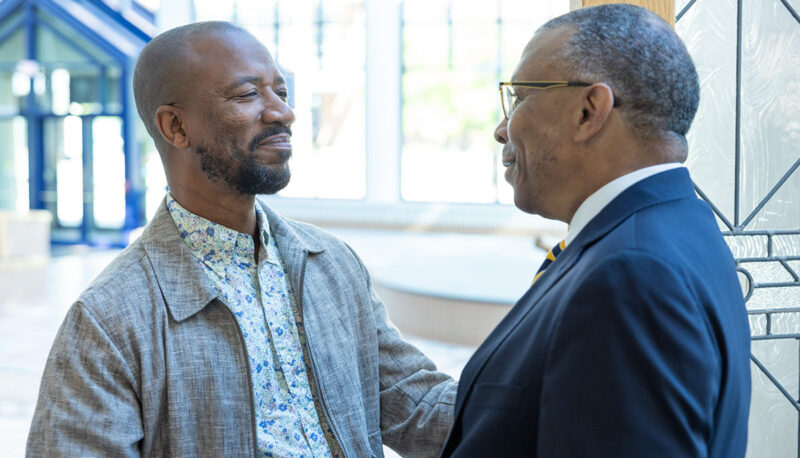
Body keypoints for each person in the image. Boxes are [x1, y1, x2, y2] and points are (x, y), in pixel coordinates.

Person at [27, 21, 455, 457]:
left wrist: (522, 389)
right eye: (248, 94)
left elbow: (416, 408)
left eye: (281, 93)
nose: (282, 113)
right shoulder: (109, 321)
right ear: (176, 127)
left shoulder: (332, 265)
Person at [440, 4, 750, 457]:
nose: (501, 129)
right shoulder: (675, 228)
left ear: (589, 111)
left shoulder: (632, 274)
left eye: (520, 98)